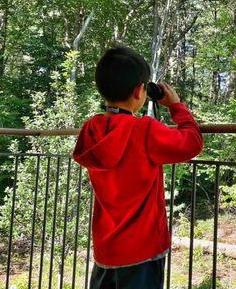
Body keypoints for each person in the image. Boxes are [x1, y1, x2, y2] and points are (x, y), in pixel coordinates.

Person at [73, 46, 203, 288]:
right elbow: (192, 144)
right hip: (142, 250)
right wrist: (176, 106)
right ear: (139, 91)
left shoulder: (91, 128)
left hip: (106, 249)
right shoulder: (143, 130)